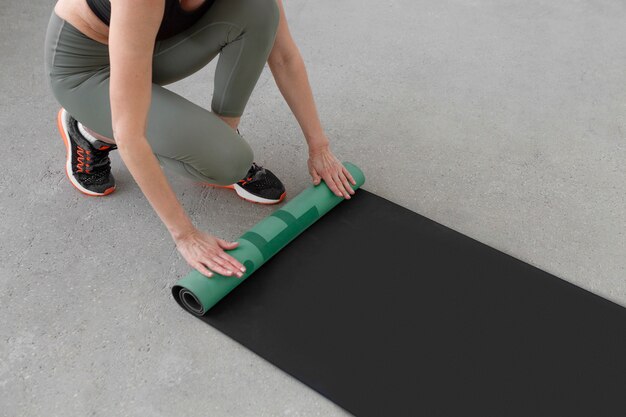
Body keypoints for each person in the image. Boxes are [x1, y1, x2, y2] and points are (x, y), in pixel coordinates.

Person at [45, 0, 357, 279]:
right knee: (228, 161)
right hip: (87, 70)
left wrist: (320, 148)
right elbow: (131, 135)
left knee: (259, 9)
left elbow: (285, 57)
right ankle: (90, 130)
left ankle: (220, 137)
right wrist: (185, 235)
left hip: (146, 45)